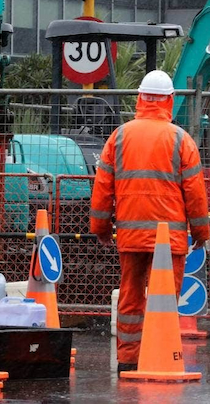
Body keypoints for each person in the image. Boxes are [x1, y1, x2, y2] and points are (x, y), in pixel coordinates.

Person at [90, 70, 209, 374]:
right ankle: (160, 354)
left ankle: (129, 360)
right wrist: (201, 232)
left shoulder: (120, 137)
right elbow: (195, 193)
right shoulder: (181, 140)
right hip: (169, 240)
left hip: (130, 237)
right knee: (165, 299)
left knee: (130, 295)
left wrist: (100, 229)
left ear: (140, 97)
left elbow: (103, 189)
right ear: (169, 100)